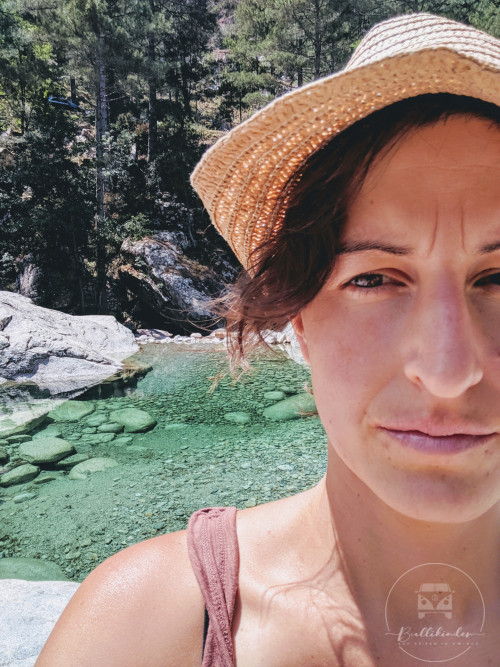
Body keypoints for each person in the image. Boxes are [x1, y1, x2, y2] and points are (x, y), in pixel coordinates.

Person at [36, 13, 500, 666]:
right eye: (374, 279)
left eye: (498, 278)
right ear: (299, 319)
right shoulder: (147, 628)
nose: (449, 370)